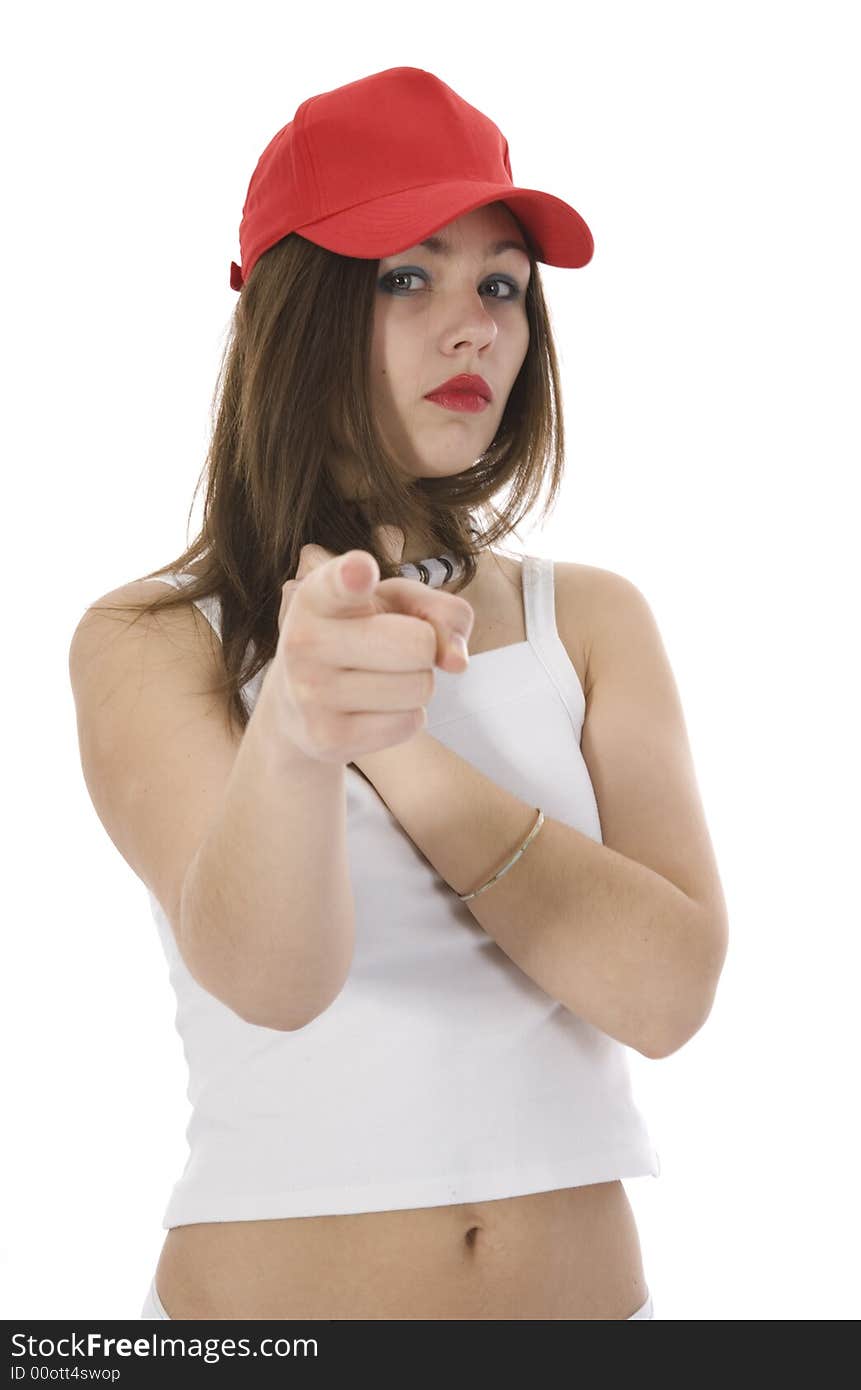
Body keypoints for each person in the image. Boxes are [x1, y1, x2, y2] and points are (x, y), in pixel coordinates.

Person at [68, 66, 728, 1321]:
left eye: (501, 284)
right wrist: (303, 734)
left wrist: (407, 749)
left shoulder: (585, 618)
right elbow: (269, 977)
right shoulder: (152, 642)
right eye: (406, 276)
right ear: (289, 315)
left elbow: (667, 995)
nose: (474, 325)